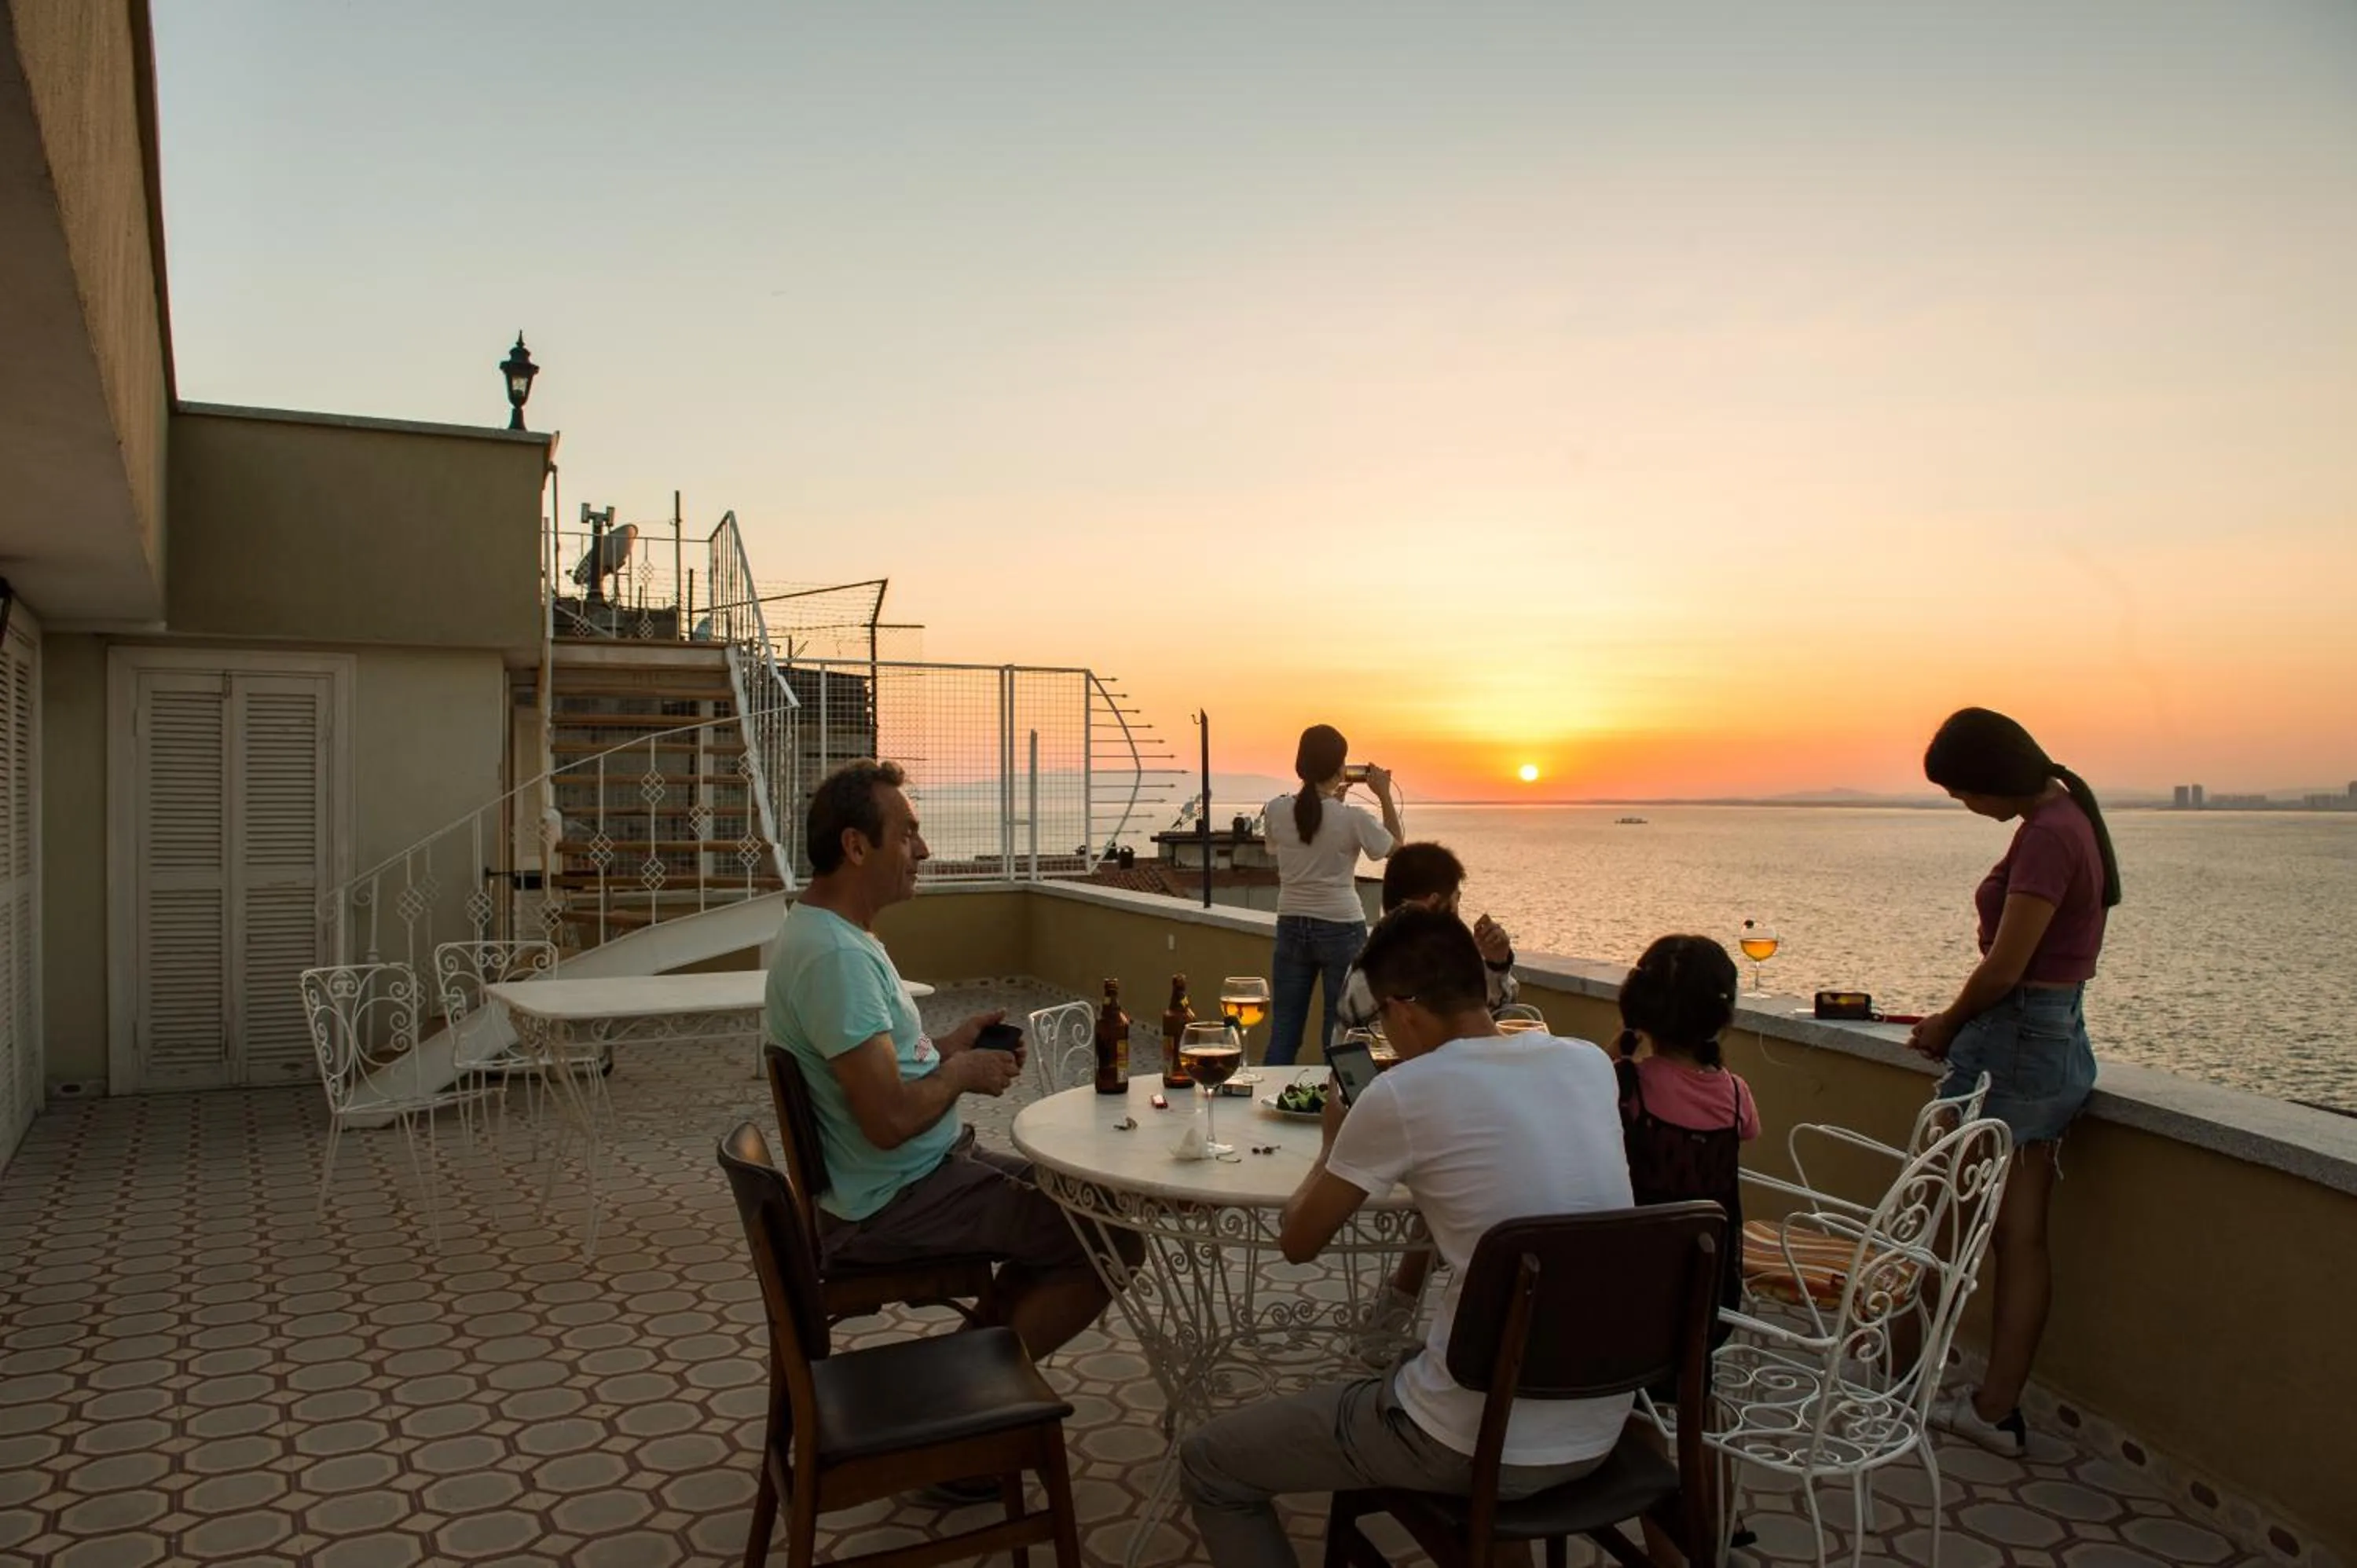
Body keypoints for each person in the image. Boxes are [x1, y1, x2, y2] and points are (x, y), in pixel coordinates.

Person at [1178, 907, 1633, 1568]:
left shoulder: (1403, 1094)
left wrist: (1333, 1146)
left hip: (1472, 1441)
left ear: (1404, 1009)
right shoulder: (1588, 1064)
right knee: (1414, 1357)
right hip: (1599, 1418)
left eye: (1381, 1019)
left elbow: (1298, 1243)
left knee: (1211, 1464)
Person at [765, 759, 1116, 1364]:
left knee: (1090, 1207)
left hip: (904, 1181)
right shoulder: (835, 958)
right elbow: (889, 1121)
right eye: (906, 833)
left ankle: (969, 1378)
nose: (923, 850)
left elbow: (880, 1068)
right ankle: (970, 1393)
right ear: (855, 846)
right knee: (1109, 1233)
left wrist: (949, 1046)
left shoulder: (833, 936)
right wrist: (960, 1075)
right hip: (889, 1202)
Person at [1907, 708, 2121, 1457]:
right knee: (2017, 1235)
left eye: (1963, 792)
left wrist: (1946, 1021)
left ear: (1991, 779)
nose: (1966, 807)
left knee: (1935, 1212)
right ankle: (1994, 1409)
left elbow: (2007, 965)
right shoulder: (2067, 821)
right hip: (2053, 1038)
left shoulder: (2048, 838)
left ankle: (1906, 1381)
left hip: (2018, 1042)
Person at [1614, 934, 1758, 1565]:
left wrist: (1623, 1047)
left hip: (1637, 1296)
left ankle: (1671, 1551)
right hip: (1710, 1294)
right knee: (1701, 1403)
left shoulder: (1628, 1090)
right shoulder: (1734, 1095)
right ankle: (1720, 1522)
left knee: (1643, 1415)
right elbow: (1747, 1133)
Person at [1263, 724, 1402, 1067]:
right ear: (1341, 768)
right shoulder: (1353, 818)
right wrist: (1383, 793)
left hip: (1291, 924)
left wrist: (1328, 805)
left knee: (1284, 1031)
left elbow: (1280, 845)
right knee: (1341, 1033)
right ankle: (1338, 1112)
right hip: (1341, 925)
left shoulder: (1276, 809)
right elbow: (1395, 849)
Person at [1333, 842, 1519, 1032]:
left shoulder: (1366, 969)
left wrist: (1497, 964)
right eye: (1457, 897)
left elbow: (1343, 1046)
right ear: (1436, 902)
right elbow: (1490, 1024)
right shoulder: (1453, 965)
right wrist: (1495, 969)